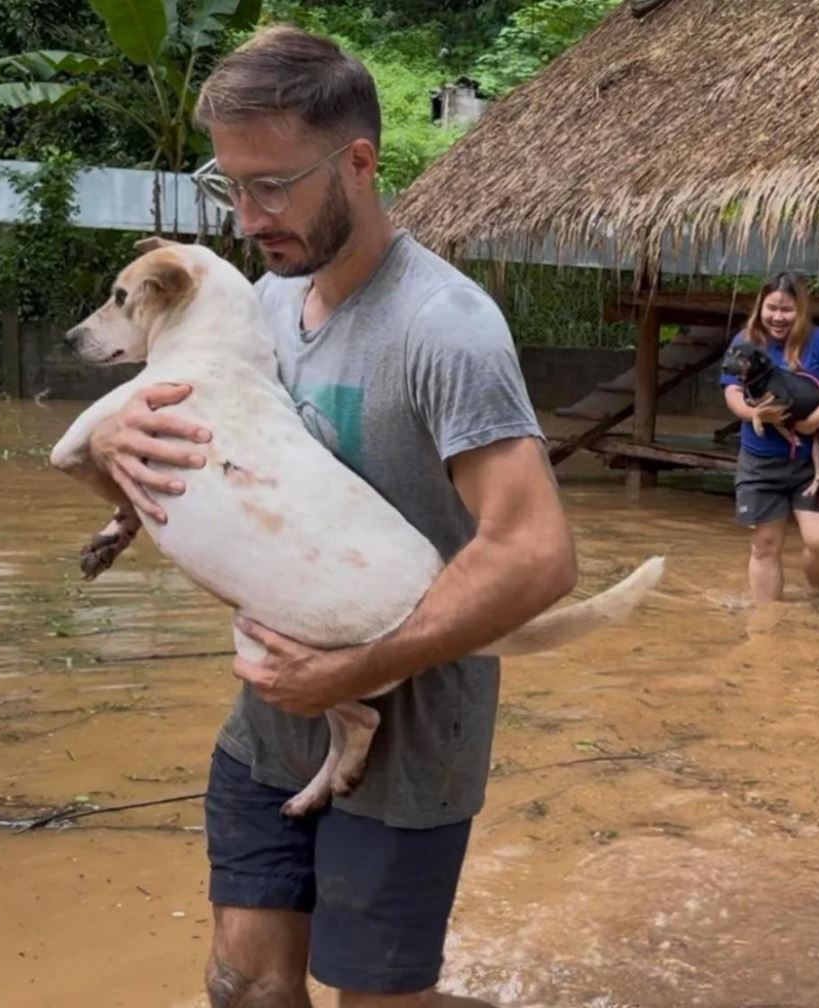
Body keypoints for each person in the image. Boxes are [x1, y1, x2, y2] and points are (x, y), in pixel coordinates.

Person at [72, 25, 577, 1008]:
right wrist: (107, 450)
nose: (250, 216)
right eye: (231, 188)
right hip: (269, 719)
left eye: (274, 184)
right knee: (242, 986)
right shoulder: (254, 310)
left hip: (406, 734)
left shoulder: (446, 328)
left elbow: (535, 554)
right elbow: (197, 468)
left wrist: (351, 672)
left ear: (356, 163)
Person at [719, 272, 819, 603]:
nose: (777, 317)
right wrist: (751, 413)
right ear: (761, 307)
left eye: (787, 310)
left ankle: (816, 596)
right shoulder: (747, 340)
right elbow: (731, 389)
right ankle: (766, 625)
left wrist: (814, 422)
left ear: (801, 310)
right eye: (771, 308)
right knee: (764, 545)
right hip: (760, 461)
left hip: (810, 463)